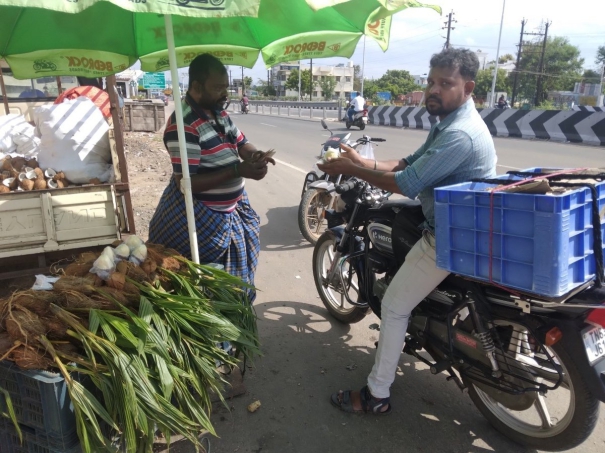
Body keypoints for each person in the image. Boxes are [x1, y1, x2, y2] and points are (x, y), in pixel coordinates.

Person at [319, 48, 497, 414]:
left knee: (395, 306)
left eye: (445, 83)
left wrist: (353, 172)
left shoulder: (460, 134)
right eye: (431, 82)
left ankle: (376, 395)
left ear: (468, 87)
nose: (435, 90)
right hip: (465, 222)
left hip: (453, 235)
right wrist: (361, 161)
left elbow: (407, 182)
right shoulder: (448, 123)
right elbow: (407, 162)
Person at [148, 53, 274, 299]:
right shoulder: (183, 126)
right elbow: (186, 183)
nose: (224, 94)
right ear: (196, 86)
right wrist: (238, 170)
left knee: (234, 290)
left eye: (225, 88)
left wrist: (255, 156)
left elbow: (241, 143)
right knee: (210, 289)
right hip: (201, 222)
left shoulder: (219, 114)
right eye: (217, 88)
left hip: (230, 212)